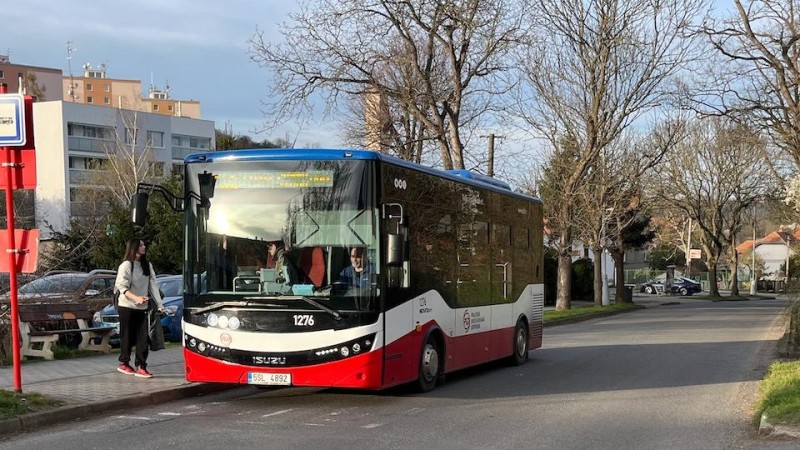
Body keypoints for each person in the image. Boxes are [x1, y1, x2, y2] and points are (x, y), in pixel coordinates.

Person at [114, 238, 165, 378]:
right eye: (141, 244)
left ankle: (141, 366)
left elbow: (153, 285)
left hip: (143, 308)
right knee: (128, 336)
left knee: (144, 337)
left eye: (144, 244)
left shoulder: (147, 265)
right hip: (127, 306)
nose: (144, 246)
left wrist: (160, 305)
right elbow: (121, 286)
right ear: (134, 247)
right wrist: (136, 298)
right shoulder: (126, 265)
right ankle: (124, 362)